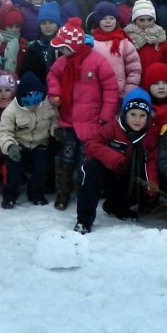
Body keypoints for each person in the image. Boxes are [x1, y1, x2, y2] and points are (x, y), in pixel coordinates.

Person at [46, 17, 119, 211]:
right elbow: (52, 75)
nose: (61, 51)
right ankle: (63, 192)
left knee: (85, 159)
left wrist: (106, 115)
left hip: (91, 121)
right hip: (69, 121)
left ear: (75, 46)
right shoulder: (63, 62)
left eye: (64, 47)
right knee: (65, 158)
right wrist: (55, 92)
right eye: (60, 48)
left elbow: (111, 89)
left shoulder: (97, 62)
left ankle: (84, 191)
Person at [74, 87, 160, 234]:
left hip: (128, 178)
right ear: (125, 113)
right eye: (133, 114)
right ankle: (84, 220)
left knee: (140, 186)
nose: (137, 119)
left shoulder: (150, 135)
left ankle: (115, 207)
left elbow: (150, 161)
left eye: (142, 115)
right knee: (92, 167)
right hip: (109, 173)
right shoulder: (114, 127)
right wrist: (114, 158)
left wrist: (152, 185)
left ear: (148, 116)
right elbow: (91, 145)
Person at [0, 72, 58, 209]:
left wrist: (56, 130)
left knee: (41, 167)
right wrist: (10, 146)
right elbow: (4, 131)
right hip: (18, 144)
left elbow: (54, 120)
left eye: (37, 102)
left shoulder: (47, 104)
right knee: (13, 168)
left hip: (40, 143)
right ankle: (10, 196)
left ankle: (36, 194)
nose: (33, 106)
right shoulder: (11, 110)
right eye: (29, 103)